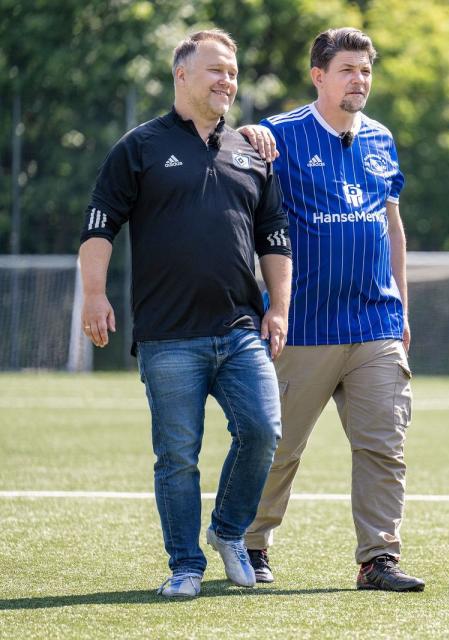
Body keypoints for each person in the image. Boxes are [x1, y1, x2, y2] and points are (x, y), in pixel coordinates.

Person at [78, 29, 292, 598]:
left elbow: (275, 238)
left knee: (264, 430)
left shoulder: (252, 150)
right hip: (168, 336)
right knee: (177, 455)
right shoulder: (138, 147)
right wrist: (94, 295)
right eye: (216, 70)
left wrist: (280, 309)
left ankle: (227, 532)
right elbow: (99, 225)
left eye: (233, 72)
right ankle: (185, 566)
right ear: (181, 74)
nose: (227, 80)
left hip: (241, 329)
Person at [237, 27, 424, 592]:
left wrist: (403, 308)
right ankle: (250, 544)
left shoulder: (381, 139)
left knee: (384, 446)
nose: (359, 80)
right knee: (277, 448)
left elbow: (393, 227)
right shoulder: (279, 135)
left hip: (376, 322)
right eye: (347, 70)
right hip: (303, 324)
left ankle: (379, 558)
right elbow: (229, 177)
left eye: (365, 70)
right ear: (318, 76)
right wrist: (241, 133)